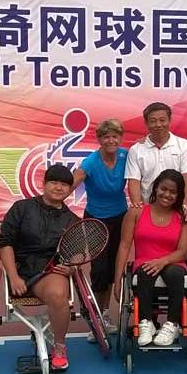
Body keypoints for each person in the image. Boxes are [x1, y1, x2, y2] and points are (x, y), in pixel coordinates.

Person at [0, 164, 79, 370]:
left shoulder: (72, 220)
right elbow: (5, 244)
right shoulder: (21, 208)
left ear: (70, 190)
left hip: (50, 273)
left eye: (64, 184)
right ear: (43, 184)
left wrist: (73, 266)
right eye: (53, 182)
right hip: (21, 270)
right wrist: (14, 277)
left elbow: (78, 251)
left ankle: (59, 347)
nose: (58, 188)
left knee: (59, 294)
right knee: (16, 265)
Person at [114, 169, 187, 347]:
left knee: (175, 275)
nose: (167, 194)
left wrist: (162, 261)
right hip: (145, 263)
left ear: (179, 195)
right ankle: (146, 323)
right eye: (163, 189)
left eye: (173, 192)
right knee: (144, 272)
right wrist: (117, 280)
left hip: (173, 262)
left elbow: (183, 251)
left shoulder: (183, 217)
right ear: (155, 188)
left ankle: (172, 324)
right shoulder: (136, 212)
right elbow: (124, 245)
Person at [71, 119, 128, 343]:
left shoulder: (126, 156)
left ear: (120, 138)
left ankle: (104, 314)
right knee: (99, 269)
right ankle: (95, 317)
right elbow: (74, 181)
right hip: (96, 219)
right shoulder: (91, 162)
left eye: (115, 136)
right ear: (100, 140)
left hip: (121, 217)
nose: (111, 140)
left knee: (114, 266)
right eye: (106, 137)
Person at [125, 102, 187, 219]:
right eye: (153, 120)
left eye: (162, 120)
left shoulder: (184, 145)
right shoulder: (136, 150)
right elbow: (134, 182)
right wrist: (140, 211)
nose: (158, 124)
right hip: (147, 209)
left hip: (175, 209)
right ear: (146, 123)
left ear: (170, 120)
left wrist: (183, 206)